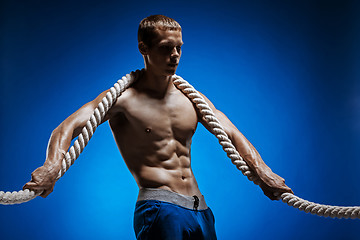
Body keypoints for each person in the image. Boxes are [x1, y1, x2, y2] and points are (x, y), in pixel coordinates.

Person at [23, 15, 293, 240]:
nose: (175, 55)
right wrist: (51, 167)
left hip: (200, 210)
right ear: (144, 48)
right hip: (159, 208)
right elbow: (67, 127)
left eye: (179, 47)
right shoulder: (123, 99)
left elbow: (231, 133)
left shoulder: (191, 98)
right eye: (166, 48)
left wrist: (263, 173)